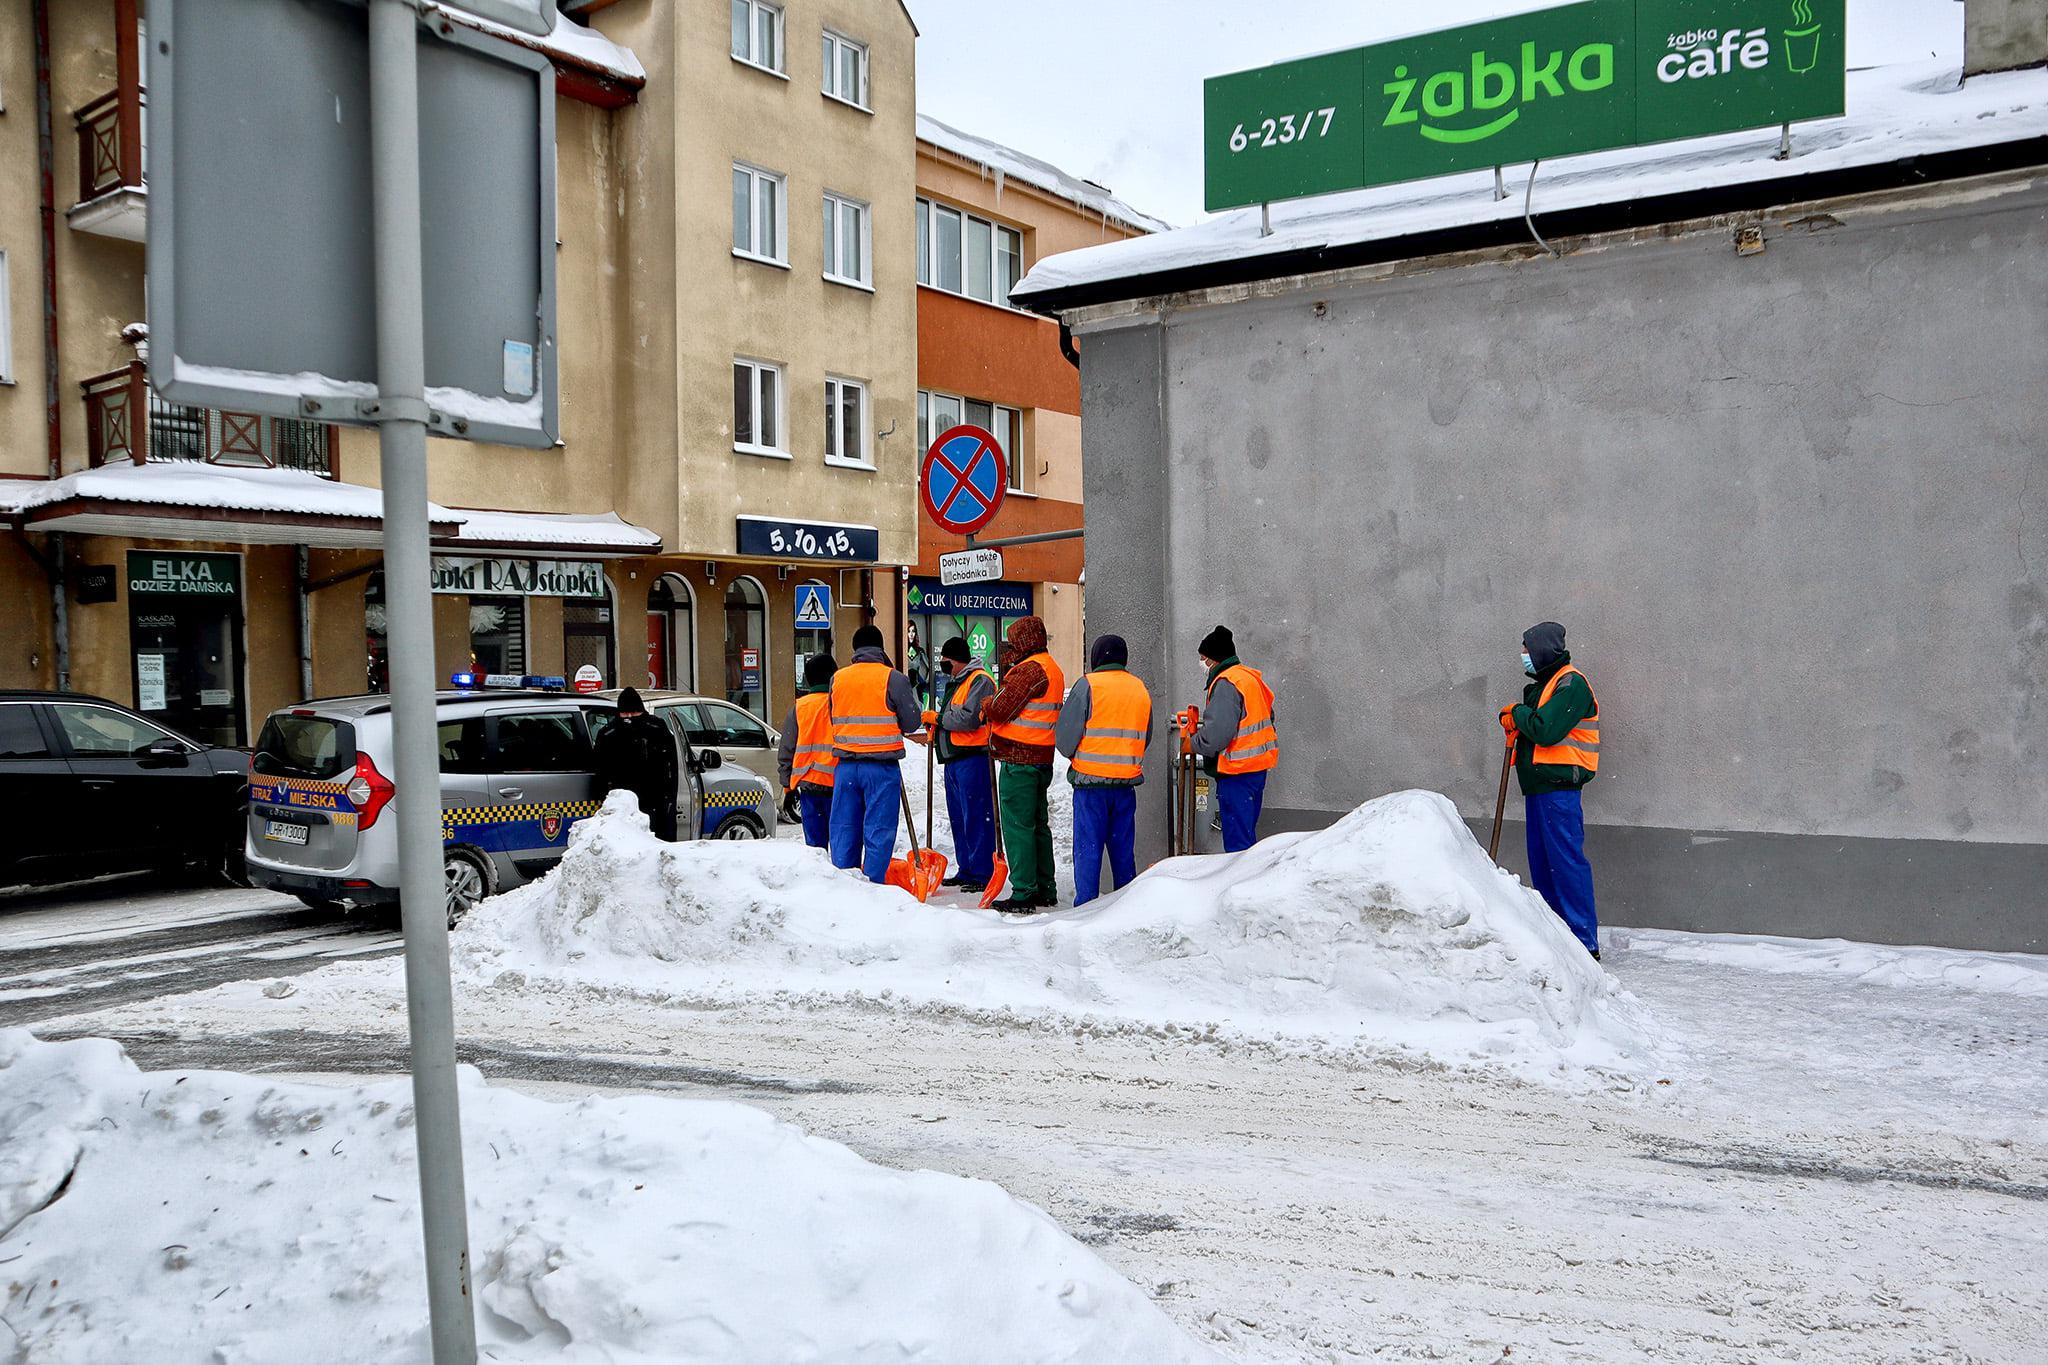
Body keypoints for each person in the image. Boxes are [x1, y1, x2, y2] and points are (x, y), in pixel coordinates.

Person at [1500, 620, 1602, 958]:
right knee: (1543, 865)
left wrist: (1517, 713)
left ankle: (1583, 942)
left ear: (1543, 649)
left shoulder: (1571, 685)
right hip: (1540, 790)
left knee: (1566, 864)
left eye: (1527, 648)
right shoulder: (1545, 685)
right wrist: (1518, 718)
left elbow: (1545, 730)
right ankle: (1557, 937)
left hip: (1559, 791)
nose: (1523, 655)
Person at [1056, 634, 1153, 906]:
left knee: (1088, 851)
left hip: (1091, 787)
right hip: (1125, 786)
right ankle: (1126, 908)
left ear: (1096, 657)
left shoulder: (1087, 685)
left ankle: (1085, 909)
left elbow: (1064, 740)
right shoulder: (1139, 688)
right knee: (1123, 852)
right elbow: (1146, 735)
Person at [828, 623, 926, 882]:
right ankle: (872, 885)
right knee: (878, 830)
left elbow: (833, 716)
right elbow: (912, 722)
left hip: (846, 766)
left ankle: (844, 884)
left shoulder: (838, 678)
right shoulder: (893, 678)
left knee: (844, 828)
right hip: (881, 768)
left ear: (855, 649)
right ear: (881, 648)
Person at [981, 616, 1063, 912]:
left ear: (1024, 642)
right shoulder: (1050, 667)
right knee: (1038, 826)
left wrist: (985, 705)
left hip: (1020, 760)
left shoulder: (1028, 670)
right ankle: (1045, 887)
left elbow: (1001, 708)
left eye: (1014, 642)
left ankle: (1024, 891)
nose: (1010, 647)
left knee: (1017, 827)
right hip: (1041, 757)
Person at [1190, 626, 1278, 854]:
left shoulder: (1226, 682)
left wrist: (1193, 742)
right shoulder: (1250, 679)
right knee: (1246, 835)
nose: (1202, 664)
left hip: (1237, 772)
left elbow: (1218, 735)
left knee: (1238, 845)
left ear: (1215, 659)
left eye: (1204, 659)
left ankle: (1240, 887)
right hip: (1256, 769)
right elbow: (1266, 718)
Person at [932, 637, 997, 893]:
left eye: (946, 662)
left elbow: (968, 719)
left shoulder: (980, 680)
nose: (943, 666)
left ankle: (982, 872)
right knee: (960, 818)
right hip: (955, 759)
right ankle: (967, 868)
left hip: (973, 757)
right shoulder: (957, 682)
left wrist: (938, 718)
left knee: (977, 817)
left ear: (957, 659)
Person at [593, 687, 680, 841]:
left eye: (633, 713)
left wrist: (668, 798)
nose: (629, 717)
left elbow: (670, 767)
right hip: (622, 802)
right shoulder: (609, 734)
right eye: (625, 714)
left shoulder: (657, 729)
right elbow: (600, 770)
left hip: (654, 801)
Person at [777, 653, 838, 850]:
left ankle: (818, 879)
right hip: (839, 785)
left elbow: (786, 749)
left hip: (809, 787)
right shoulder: (839, 705)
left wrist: (788, 788)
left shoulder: (799, 708)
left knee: (815, 849)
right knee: (842, 847)